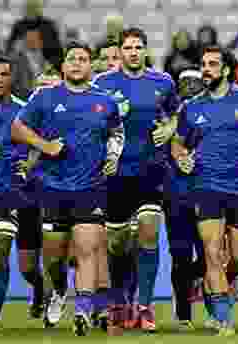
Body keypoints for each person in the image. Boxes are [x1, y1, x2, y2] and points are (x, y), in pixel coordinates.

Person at [11, 40, 124, 336]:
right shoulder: (45, 97)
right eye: (72, 59)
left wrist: (112, 157)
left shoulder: (105, 101)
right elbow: (17, 128)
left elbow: (116, 133)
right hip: (52, 187)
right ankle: (60, 289)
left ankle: (83, 311)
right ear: (63, 66)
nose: (77, 63)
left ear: (90, 66)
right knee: (55, 257)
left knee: (87, 250)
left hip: (91, 187)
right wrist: (45, 146)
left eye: (83, 59)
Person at [171, 44, 238, 336]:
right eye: (204, 64)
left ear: (227, 70)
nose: (205, 69)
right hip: (206, 187)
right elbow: (178, 142)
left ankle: (212, 286)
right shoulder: (192, 106)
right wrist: (182, 159)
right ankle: (223, 318)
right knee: (212, 252)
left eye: (212, 64)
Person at [93, 27, 179, 333]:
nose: (133, 52)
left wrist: (170, 128)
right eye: (127, 47)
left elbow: (177, 114)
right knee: (117, 244)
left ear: (145, 50)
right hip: (115, 173)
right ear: (120, 52)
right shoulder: (102, 83)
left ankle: (145, 306)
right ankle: (120, 299)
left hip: (151, 170)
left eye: (138, 47)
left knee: (148, 234)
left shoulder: (163, 82)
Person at [0, 54, 45, 329]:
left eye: (3, 75)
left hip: (23, 194)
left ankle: (39, 288)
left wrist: (30, 162)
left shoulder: (23, 111)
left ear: (11, 78)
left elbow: (42, 145)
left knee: (28, 267)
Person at [166, 65, 206, 332]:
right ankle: (183, 314)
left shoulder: (210, 115)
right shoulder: (166, 121)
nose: (190, 89)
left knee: (208, 257)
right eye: (185, 84)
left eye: (195, 83)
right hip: (176, 195)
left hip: (208, 194)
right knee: (180, 255)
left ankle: (193, 282)